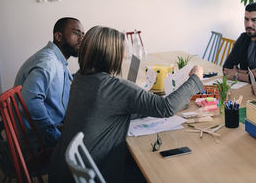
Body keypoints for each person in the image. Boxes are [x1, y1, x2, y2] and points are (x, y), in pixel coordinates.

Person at [49, 26, 204, 183]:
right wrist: (195, 78)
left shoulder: (81, 78)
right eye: (123, 50)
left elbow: (111, 109)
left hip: (68, 170)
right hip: (99, 172)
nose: (125, 55)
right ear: (111, 55)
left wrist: (146, 103)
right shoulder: (113, 87)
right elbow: (166, 108)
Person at [14, 17, 84, 148]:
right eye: (76, 33)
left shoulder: (57, 60)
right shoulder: (48, 62)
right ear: (58, 36)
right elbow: (30, 102)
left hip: (52, 127)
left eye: (83, 34)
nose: (81, 38)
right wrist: (55, 135)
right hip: (39, 140)